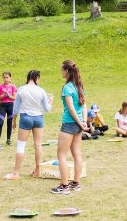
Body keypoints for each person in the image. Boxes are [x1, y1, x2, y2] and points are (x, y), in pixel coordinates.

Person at [3, 70, 52, 180]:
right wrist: (51, 101)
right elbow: (47, 109)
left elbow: (16, 107)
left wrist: (14, 120)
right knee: (38, 145)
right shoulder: (41, 91)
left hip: (25, 117)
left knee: (21, 145)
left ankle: (15, 173)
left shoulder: (21, 89)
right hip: (39, 118)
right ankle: (37, 171)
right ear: (36, 78)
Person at [51, 60, 88, 195]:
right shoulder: (79, 86)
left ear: (66, 71)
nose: (61, 72)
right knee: (77, 154)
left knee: (61, 155)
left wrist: (80, 122)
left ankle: (64, 186)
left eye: (62, 70)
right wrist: (83, 122)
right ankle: (76, 183)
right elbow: (84, 105)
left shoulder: (67, 87)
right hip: (78, 125)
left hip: (69, 124)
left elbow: (71, 108)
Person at [0, 71, 17, 146]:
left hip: (10, 106)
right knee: (0, 123)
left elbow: (14, 98)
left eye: (7, 77)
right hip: (3, 106)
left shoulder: (13, 86)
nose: (5, 79)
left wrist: (9, 96)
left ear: (10, 78)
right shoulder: (0, 86)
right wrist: (3, 95)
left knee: (9, 123)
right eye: (4, 77)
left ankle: (8, 139)